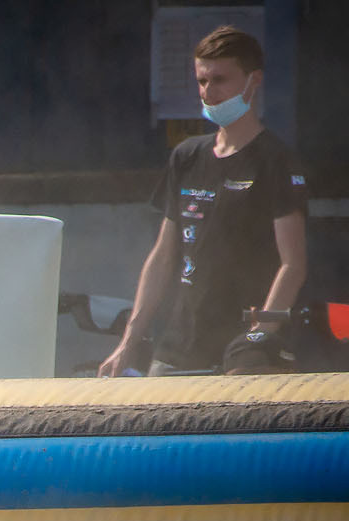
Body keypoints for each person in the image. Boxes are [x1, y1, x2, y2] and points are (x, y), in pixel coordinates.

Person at [100, 26, 308, 377]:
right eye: (202, 80)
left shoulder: (276, 160)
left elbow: (294, 265)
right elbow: (163, 256)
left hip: (244, 351)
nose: (209, 92)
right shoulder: (187, 156)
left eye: (220, 80)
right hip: (178, 346)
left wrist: (260, 337)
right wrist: (129, 342)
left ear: (253, 80)